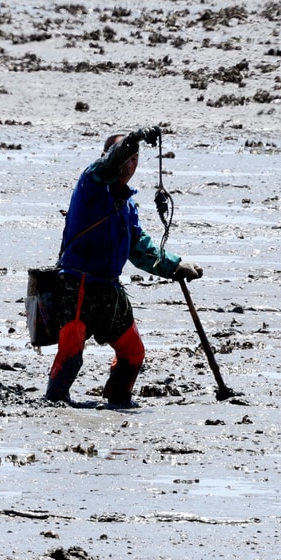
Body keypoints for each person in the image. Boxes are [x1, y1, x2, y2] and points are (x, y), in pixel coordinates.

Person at [46, 126, 203, 407]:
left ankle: (118, 400)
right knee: (71, 352)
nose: (128, 164)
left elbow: (140, 248)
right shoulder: (91, 184)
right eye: (125, 156)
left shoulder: (127, 205)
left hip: (109, 290)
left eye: (134, 159)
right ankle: (55, 401)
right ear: (107, 156)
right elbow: (109, 165)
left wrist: (176, 266)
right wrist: (131, 142)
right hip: (77, 286)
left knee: (133, 353)